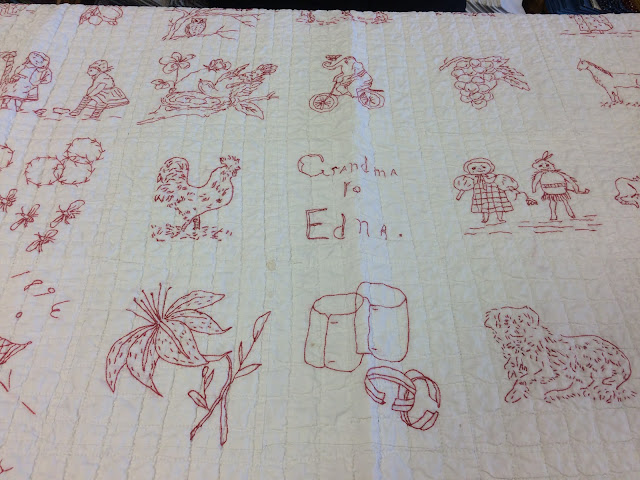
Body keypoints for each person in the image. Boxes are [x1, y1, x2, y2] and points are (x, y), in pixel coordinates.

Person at [454, 158, 534, 224]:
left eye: (483, 167)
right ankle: (485, 218)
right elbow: (464, 187)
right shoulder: (472, 179)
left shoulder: (495, 177)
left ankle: (500, 218)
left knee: (499, 206)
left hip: (496, 194)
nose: (479, 169)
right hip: (481, 195)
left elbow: (506, 184)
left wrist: (513, 190)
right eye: (474, 168)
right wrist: (459, 195)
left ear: (490, 167)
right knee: (484, 207)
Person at [531, 151, 589, 220]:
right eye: (540, 166)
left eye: (547, 165)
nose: (544, 167)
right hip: (551, 191)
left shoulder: (557, 173)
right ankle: (554, 215)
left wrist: (575, 187)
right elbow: (535, 182)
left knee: (563, 202)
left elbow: (569, 179)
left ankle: (570, 213)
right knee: (555, 202)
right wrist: (533, 189)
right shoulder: (541, 174)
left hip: (560, 190)